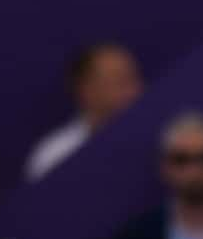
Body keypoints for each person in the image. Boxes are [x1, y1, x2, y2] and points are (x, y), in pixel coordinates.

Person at [26, 40, 144, 180]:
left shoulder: (164, 142)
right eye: (121, 81)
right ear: (86, 90)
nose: (136, 90)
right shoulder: (55, 156)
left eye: (135, 78)